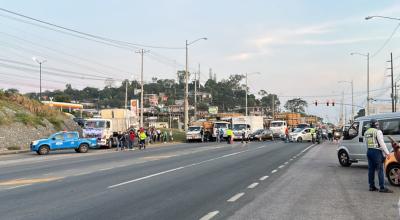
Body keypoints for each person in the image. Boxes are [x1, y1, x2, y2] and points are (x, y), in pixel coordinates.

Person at [365, 119, 392, 193]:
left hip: (369, 151)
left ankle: (371, 186)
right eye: (377, 124)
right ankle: (382, 187)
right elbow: (382, 143)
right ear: (376, 124)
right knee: (380, 170)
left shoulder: (366, 132)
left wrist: (368, 151)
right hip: (376, 152)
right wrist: (387, 153)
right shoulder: (378, 132)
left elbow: (367, 144)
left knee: (371, 170)